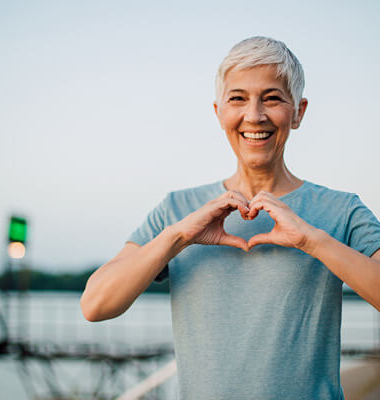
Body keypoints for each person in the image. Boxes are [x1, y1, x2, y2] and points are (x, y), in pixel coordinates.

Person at [80, 36, 380, 399]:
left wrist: (311, 240)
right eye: (238, 99)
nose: (254, 115)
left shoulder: (342, 209)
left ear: (298, 112)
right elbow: (95, 305)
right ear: (219, 111)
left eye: (272, 98)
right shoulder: (177, 209)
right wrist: (177, 238)